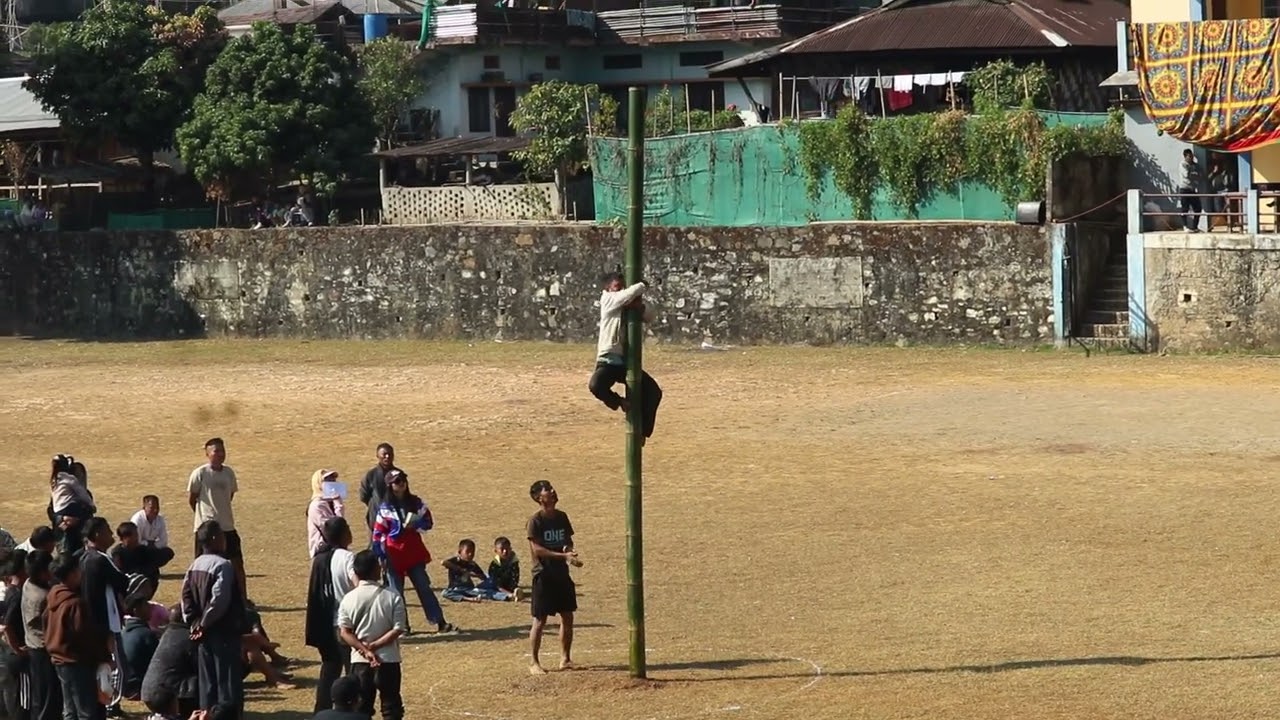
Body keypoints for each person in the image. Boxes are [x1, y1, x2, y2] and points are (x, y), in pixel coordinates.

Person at [370, 471, 453, 634]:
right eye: (396, 481)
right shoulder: (385, 508)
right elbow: (378, 534)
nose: (401, 483)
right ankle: (402, 627)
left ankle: (440, 622)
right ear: (390, 486)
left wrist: (415, 525)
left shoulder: (416, 502)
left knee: (424, 587)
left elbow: (428, 522)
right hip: (393, 554)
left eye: (403, 480)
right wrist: (380, 555)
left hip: (413, 552)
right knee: (396, 592)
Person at [587, 273, 663, 444]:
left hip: (627, 363)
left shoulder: (629, 304)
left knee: (653, 392)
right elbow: (625, 296)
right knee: (596, 385)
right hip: (608, 360)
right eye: (617, 287)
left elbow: (650, 316)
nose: (621, 290)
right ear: (607, 289)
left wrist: (640, 307)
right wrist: (642, 285)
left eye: (623, 286)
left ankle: (642, 432)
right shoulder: (608, 300)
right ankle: (619, 402)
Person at [180, 521, 244, 720]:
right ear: (215, 539)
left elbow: (186, 596)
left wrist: (193, 623)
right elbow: (220, 600)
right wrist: (204, 623)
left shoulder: (194, 565)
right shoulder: (223, 565)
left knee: (207, 681)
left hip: (202, 633)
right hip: (222, 631)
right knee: (227, 681)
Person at [337, 551, 406, 720]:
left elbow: (344, 632)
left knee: (361, 707)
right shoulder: (393, 596)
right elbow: (398, 629)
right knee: (391, 707)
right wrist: (374, 646)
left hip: (360, 661)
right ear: (376, 569)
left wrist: (364, 649)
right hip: (388, 659)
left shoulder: (348, 599)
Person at [526, 480, 582, 675]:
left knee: (567, 615)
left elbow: (567, 541)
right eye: (547, 490)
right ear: (538, 498)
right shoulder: (536, 521)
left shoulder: (562, 517)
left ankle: (565, 659)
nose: (553, 491)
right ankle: (534, 662)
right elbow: (538, 550)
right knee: (540, 619)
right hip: (543, 575)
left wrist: (570, 552)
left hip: (561, 573)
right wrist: (562, 556)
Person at [44, 556, 108, 720]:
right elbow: (85, 635)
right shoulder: (75, 603)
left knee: (70, 709)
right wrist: (103, 656)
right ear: (72, 574)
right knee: (86, 711)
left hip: (59, 659)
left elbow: (44, 622)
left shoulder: (53, 595)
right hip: (77, 661)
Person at [306, 518, 355, 714]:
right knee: (353, 671)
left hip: (325, 624)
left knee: (329, 670)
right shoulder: (347, 558)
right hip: (345, 625)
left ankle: (321, 711)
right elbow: (357, 583)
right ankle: (352, 711)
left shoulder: (319, 559)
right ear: (344, 534)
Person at [187, 439, 246, 600]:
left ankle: (242, 599)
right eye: (216, 451)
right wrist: (203, 519)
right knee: (204, 566)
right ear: (207, 454)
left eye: (222, 450)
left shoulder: (229, 473)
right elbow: (192, 499)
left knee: (236, 564)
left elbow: (230, 496)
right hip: (207, 529)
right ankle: (201, 598)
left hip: (227, 526)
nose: (220, 454)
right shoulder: (200, 474)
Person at [18, 551, 59, 720]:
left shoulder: (28, 584)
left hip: (34, 648)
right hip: (43, 650)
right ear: (43, 573)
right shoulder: (42, 597)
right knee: (47, 699)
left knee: (39, 697)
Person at [140, 607, 199, 720]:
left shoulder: (168, 634)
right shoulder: (187, 637)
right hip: (166, 694)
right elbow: (200, 667)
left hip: (147, 691)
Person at [0, 550, 29, 720]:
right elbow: (7, 626)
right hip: (14, 652)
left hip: (9, 650)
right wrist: (17, 648)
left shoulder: (11, 591)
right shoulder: (16, 594)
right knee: (16, 696)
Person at [48, 455, 95, 558]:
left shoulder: (56, 483)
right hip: (66, 537)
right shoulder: (66, 485)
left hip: (79, 537)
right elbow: (52, 512)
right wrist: (65, 520)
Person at [441, 540, 512, 603]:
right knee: (445, 593)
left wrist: (476, 575)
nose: (470, 554)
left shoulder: (472, 564)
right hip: (456, 589)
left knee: (490, 585)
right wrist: (461, 570)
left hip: (470, 589)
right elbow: (443, 562)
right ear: (460, 552)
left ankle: (509, 595)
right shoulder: (456, 561)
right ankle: (469, 599)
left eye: (472, 552)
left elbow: (483, 577)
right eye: (467, 552)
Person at [120, 599, 158, 701]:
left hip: (123, 686)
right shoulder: (146, 635)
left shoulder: (122, 633)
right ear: (136, 610)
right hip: (138, 687)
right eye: (145, 605)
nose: (150, 608)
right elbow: (158, 664)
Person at [110, 523, 169, 587]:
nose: (137, 538)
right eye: (134, 535)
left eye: (137, 534)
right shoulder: (117, 553)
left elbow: (165, 554)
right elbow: (119, 574)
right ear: (123, 538)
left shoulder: (141, 549)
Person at [359, 444, 399, 534]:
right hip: (377, 517)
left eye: (390, 454)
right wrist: (376, 504)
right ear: (377, 456)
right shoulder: (371, 475)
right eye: (384, 454)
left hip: (396, 517)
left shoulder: (399, 474)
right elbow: (363, 496)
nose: (387, 457)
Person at [307, 470, 345, 559]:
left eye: (333, 479)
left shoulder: (330, 503)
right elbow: (334, 529)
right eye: (328, 480)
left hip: (333, 552)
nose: (332, 483)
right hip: (322, 554)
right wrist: (338, 502)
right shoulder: (317, 506)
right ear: (319, 484)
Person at [1177, 148, 1203, 232]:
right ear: (1185, 157)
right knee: (1185, 208)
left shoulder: (1194, 165)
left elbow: (1200, 174)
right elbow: (1187, 174)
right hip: (1185, 189)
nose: (1191, 158)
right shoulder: (1183, 164)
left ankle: (1195, 227)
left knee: (1198, 208)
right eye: (1189, 156)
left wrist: (1195, 173)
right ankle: (1185, 226)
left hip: (1192, 189)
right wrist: (1194, 173)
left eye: (1192, 156)